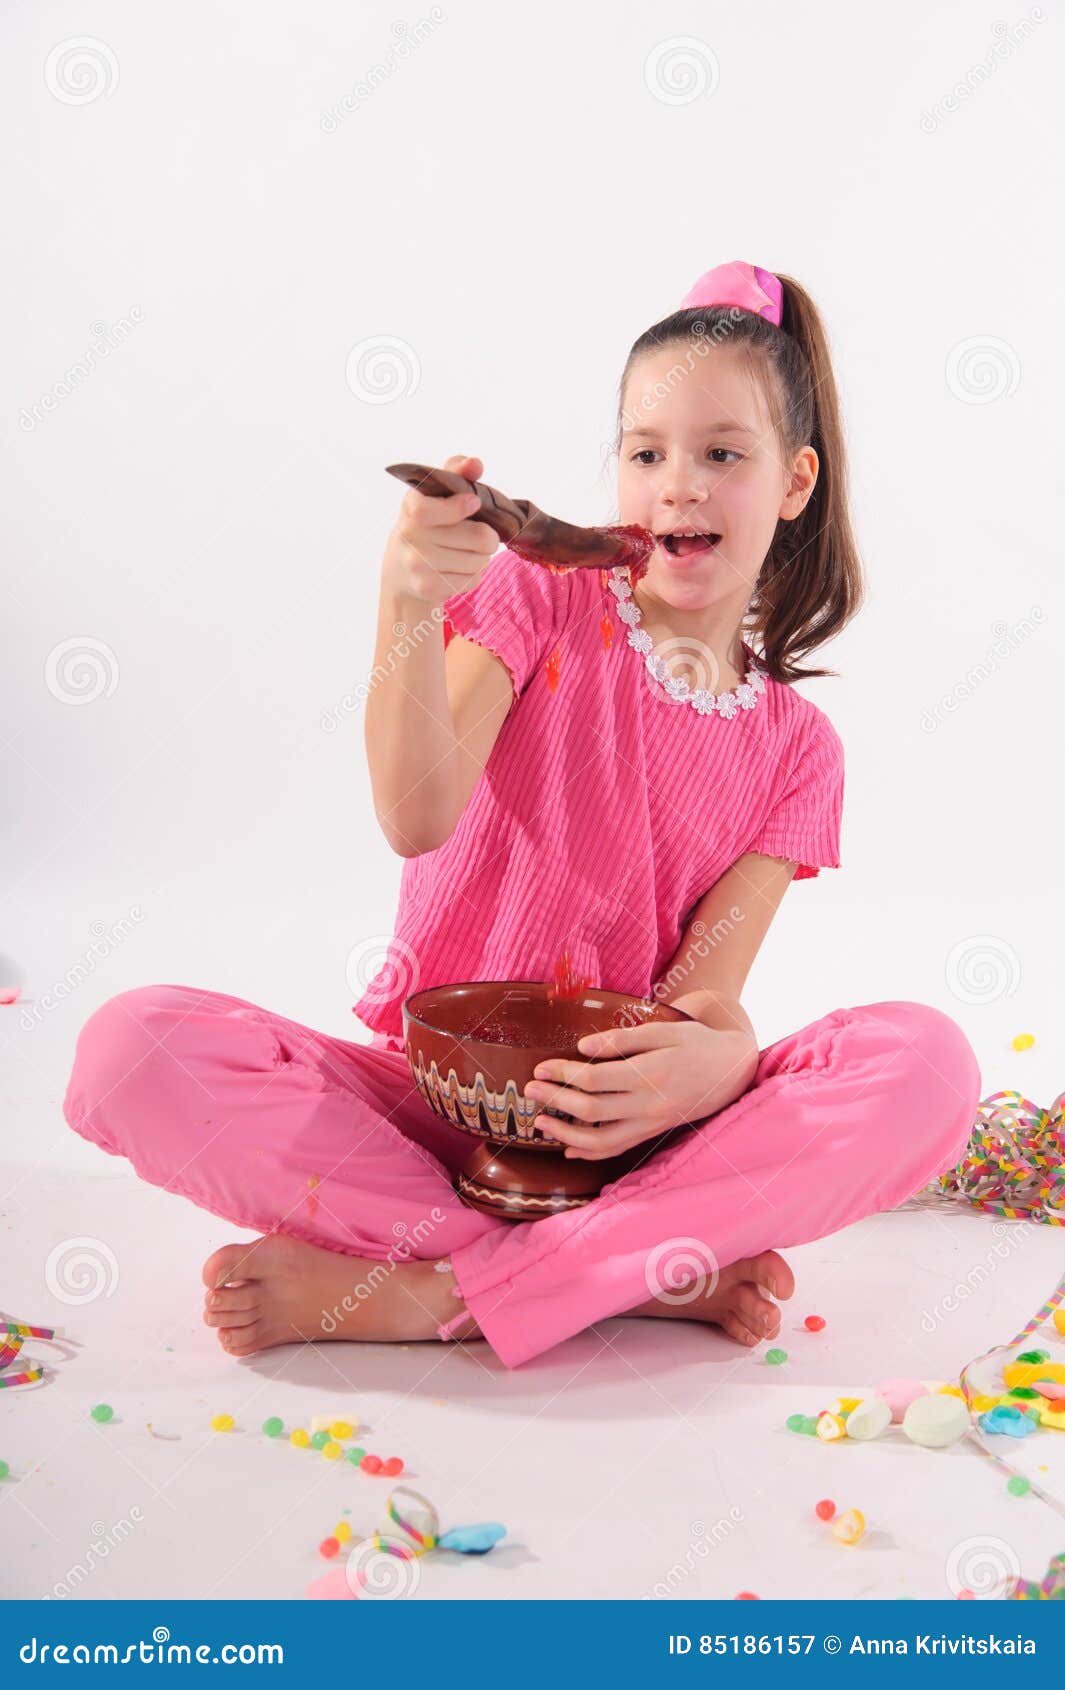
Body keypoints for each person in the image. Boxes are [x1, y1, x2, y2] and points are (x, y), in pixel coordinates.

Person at [62, 260, 982, 1370]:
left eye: (722, 454)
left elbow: (704, 995)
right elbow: (415, 813)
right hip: (437, 1107)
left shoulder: (797, 750)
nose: (677, 485)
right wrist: (406, 596)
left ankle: (431, 1293)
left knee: (926, 1063)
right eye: (646, 454)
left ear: (794, 483)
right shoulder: (541, 598)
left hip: (623, 1135)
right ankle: (627, 1274)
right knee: (131, 1048)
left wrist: (722, 1063)